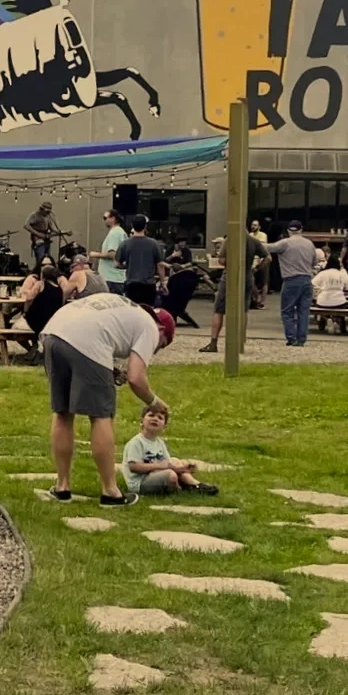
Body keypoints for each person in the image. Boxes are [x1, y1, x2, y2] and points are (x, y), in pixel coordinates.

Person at [40, 291, 175, 505]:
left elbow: (99, 331)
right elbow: (136, 378)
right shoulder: (151, 327)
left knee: (63, 412)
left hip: (53, 332)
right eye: (161, 345)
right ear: (161, 329)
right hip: (86, 340)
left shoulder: (128, 310)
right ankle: (110, 492)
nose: (155, 350)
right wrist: (154, 402)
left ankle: (62, 487)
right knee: (101, 415)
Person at [122, 403, 219, 496]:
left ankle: (196, 485)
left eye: (160, 418)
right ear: (142, 421)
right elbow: (134, 467)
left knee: (175, 460)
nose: (155, 419)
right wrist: (160, 466)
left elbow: (169, 464)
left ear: (164, 427)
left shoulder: (159, 443)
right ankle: (179, 490)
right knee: (170, 475)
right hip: (141, 482)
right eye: (151, 415)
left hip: (155, 474)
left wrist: (182, 469)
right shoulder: (136, 442)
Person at [198, 229, 267, 354]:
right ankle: (240, 342)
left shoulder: (229, 240)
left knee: (219, 309)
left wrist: (230, 263)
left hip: (229, 276)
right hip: (247, 276)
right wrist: (255, 269)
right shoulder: (253, 241)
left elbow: (222, 260)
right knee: (243, 310)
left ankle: (213, 342)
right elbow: (268, 258)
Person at [267, 221, 321, 346]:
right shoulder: (309, 244)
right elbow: (314, 262)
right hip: (307, 280)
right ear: (301, 229)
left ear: (288, 231)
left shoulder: (285, 243)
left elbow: (268, 247)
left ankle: (292, 338)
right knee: (304, 311)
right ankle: (301, 339)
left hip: (291, 280)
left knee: (287, 311)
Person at [115, 214, 165, 305]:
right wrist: (163, 282)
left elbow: (117, 264)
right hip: (149, 285)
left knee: (133, 312)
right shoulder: (154, 244)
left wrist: (127, 266)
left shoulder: (125, 244)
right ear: (145, 226)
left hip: (132, 285)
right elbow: (160, 265)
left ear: (132, 226)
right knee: (148, 311)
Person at [95, 209, 127, 290]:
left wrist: (95, 254)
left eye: (105, 218)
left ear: (113, 218)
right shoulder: (118, 232)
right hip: (114, 278)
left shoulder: (115, 233)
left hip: (111, 278)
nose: (104, 221)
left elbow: (113, 254)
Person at [25, 200, 59, 265]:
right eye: (46, 211)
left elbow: (52, 228)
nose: (47, 213)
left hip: (46, 239)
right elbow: (26, 225)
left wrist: (60, 232)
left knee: (47, 259)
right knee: (40, 259)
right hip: (38, 240)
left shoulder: (48, 217)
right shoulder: (34, 215)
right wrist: (38, 234)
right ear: (41, 209)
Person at [249, 219, 271, 306]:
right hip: (253, 260)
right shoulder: (250, 235)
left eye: (255, 225)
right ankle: (255, 299)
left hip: (262, 259)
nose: (253, 226)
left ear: (259, 227)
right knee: (252, 279)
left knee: (264, 281)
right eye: (252, 225)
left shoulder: (262, 235)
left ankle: (263, 301)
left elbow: (261, 246)